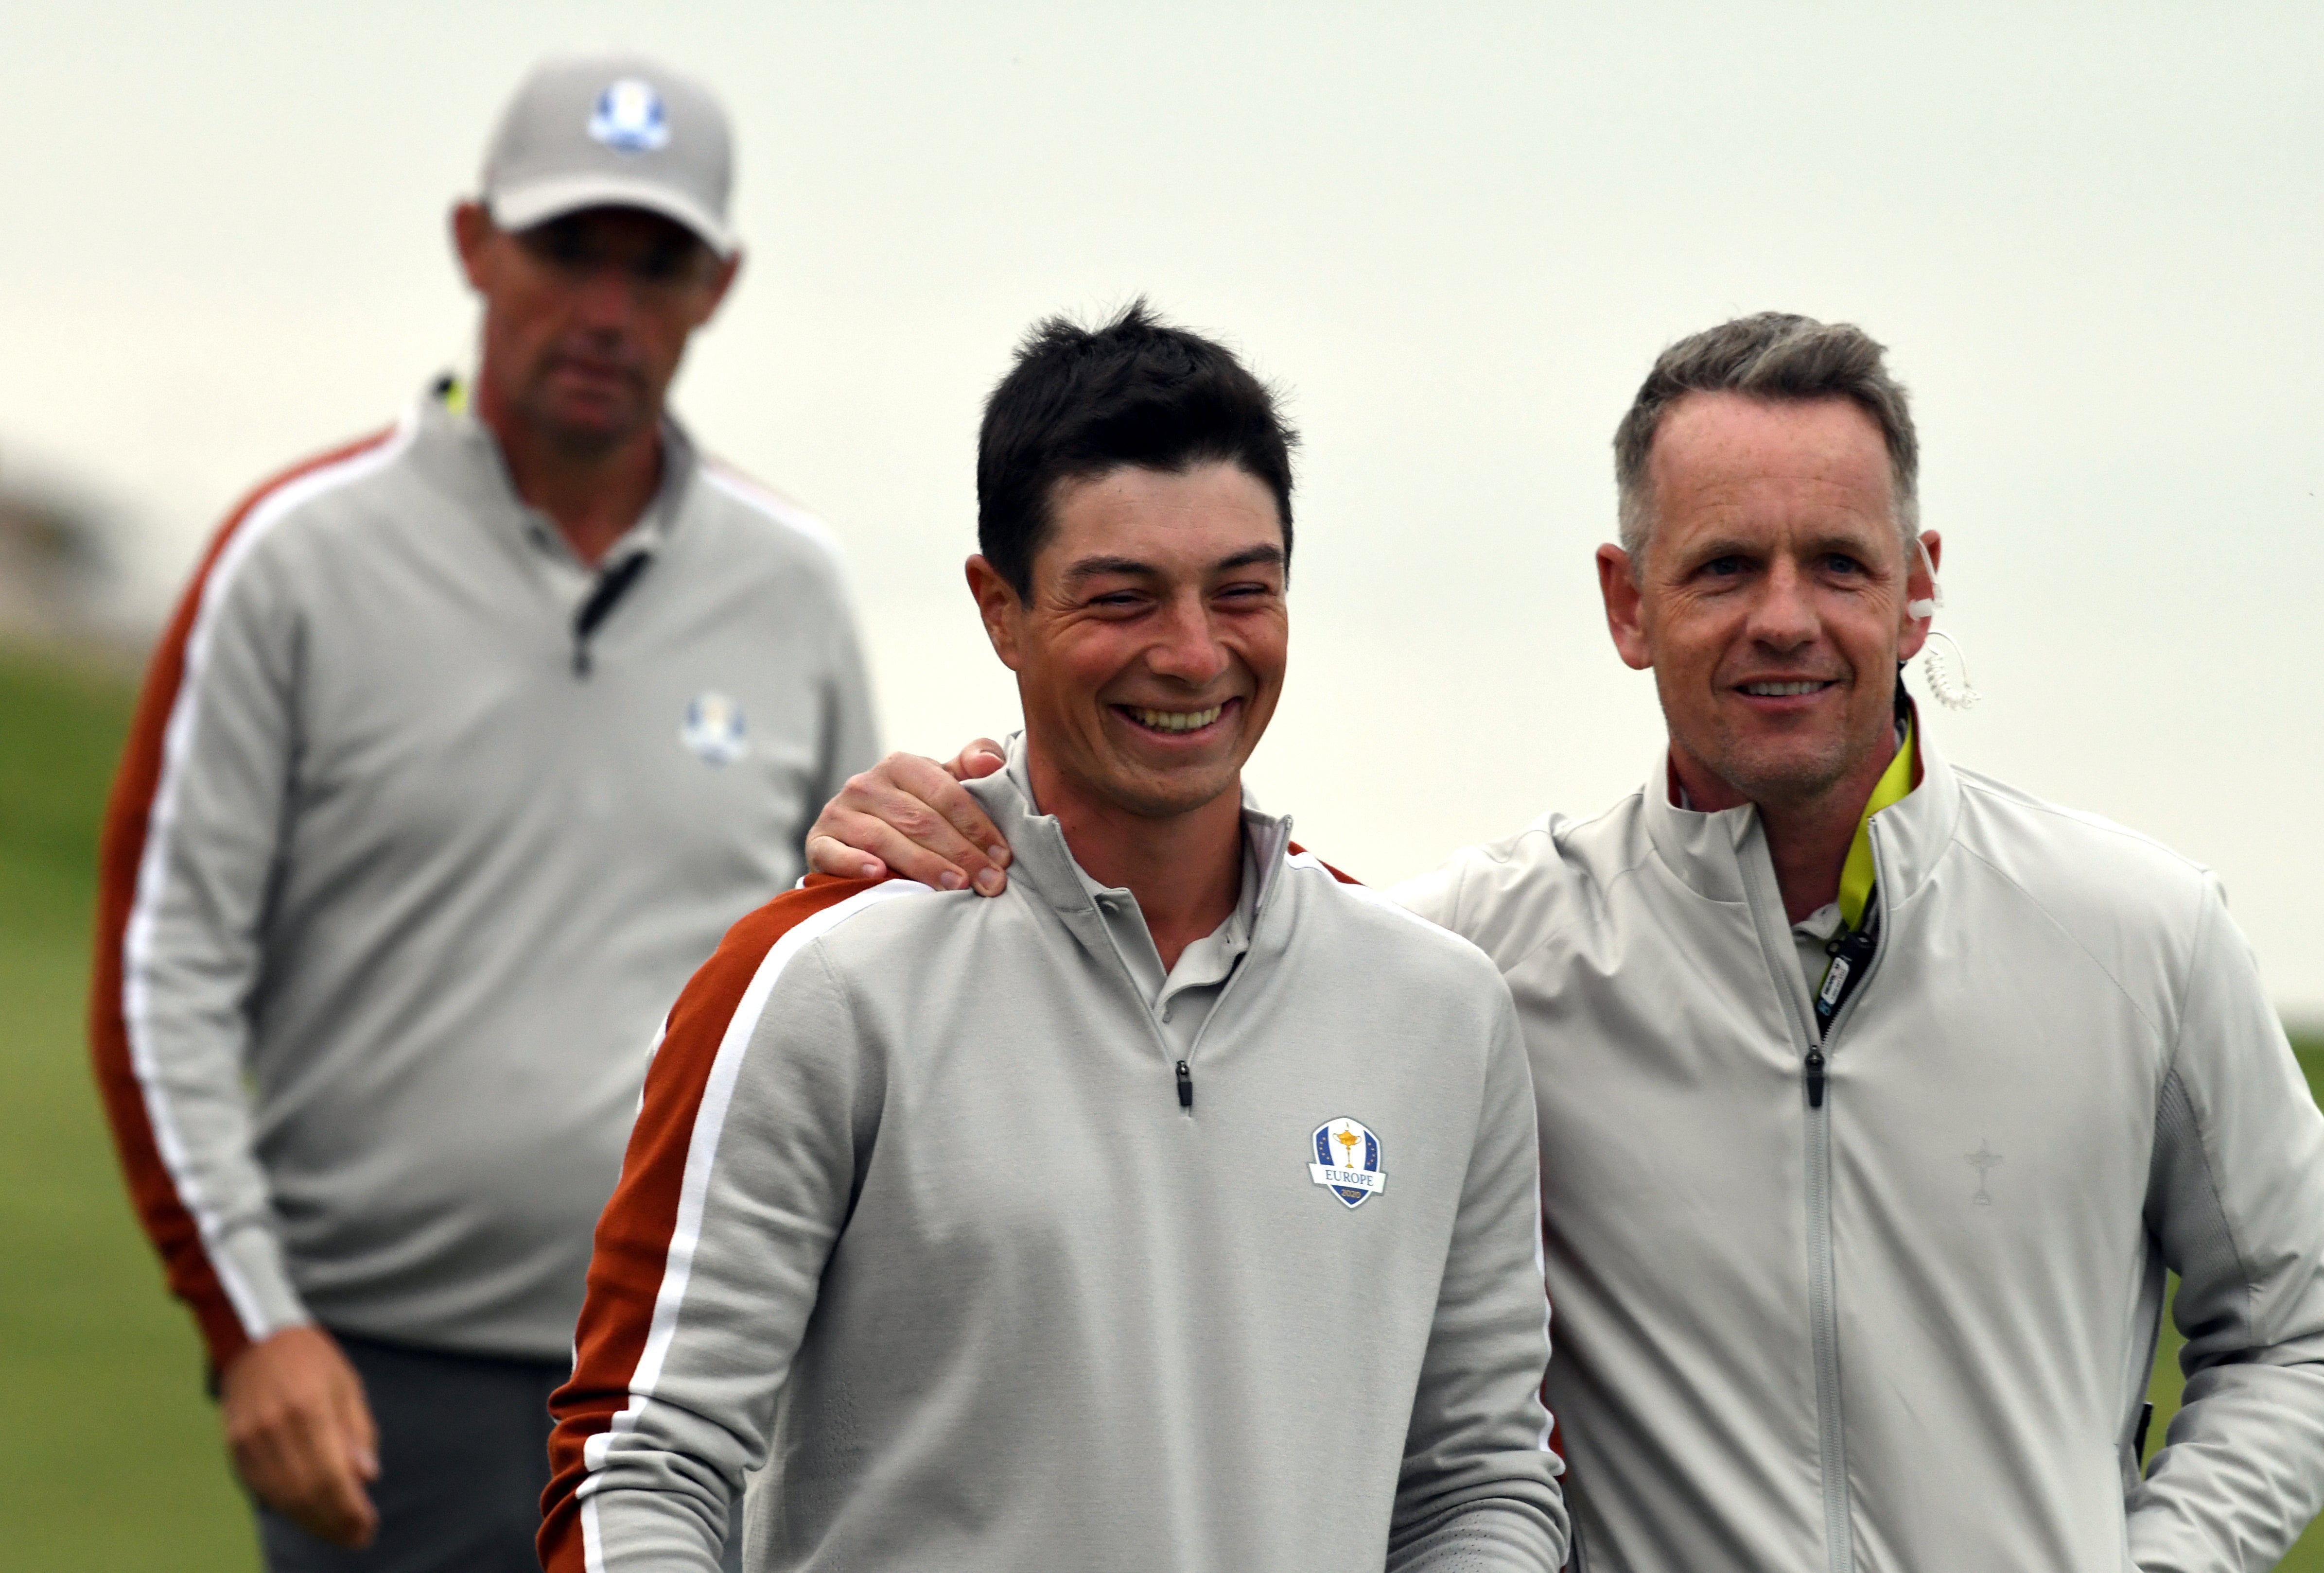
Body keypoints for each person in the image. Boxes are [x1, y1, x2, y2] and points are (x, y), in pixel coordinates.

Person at [805, 312, 2324, 1570]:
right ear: (1626, 603)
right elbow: (1175, 930)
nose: (1785, 619)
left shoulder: (2140, 935)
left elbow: (2300, 1336)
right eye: (1724, 567)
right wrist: (953, 820)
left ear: (1921, 590)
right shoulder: (1473, 964)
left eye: (1841, 566)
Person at [538, 303, 1567, 1572]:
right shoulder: (822, 983)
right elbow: (643, 1461)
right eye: (1122, 597)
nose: (1193, 655)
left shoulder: (1438, 1013)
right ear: (999, 608)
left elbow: (1483, 1484)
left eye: (1242, 590)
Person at [88, 53, 878, 1573]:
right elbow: (157, 978)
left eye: (658, 266)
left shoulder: (790, 584)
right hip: (386, 1387)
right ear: (473, 245)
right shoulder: (296, 561)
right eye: (566, 250)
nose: (608, 308)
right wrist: (252, 1326)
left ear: (719, 288)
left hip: (701, 1380)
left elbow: (843, 972)